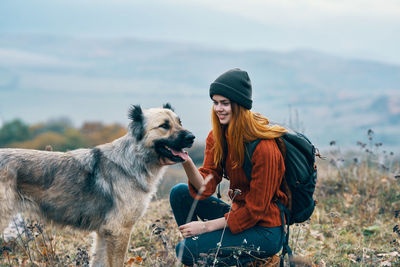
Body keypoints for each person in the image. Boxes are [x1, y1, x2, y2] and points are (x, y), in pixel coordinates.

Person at [169, 68, 288, 266]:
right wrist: (187, 162)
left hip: (265, 230)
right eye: (215, 102)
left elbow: (254, 211)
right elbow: (205, 187)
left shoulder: (264, 148)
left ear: (240, 105)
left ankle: (248, 259)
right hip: (238, 218)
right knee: (180, 193)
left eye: (225, 103)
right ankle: (200, 251)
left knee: (185, 251)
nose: (219, 109)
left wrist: (206, 228)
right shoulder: (218, 137)